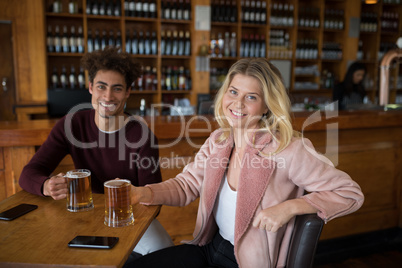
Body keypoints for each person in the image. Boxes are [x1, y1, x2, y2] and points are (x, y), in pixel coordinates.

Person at [124, 58, 364, 268]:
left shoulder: (289, 148)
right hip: (210, 248)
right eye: (233, 92)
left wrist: (289, 208)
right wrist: (140, 193)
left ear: (268, 104)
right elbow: (186, 186)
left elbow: (350, 193)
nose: (237, 104)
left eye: (251, 97)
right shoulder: (219, 139)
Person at [19, 46, 174, 256]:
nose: (108, 96)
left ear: (128, 92)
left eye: (117, 88)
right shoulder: (72, 125)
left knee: (163, 250)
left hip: (127, 217)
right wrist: (46, 185)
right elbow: (29, 173)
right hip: (81, 214)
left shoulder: (142, 136)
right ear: (90, 87)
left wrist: (130, 203)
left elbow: (154, 202)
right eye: (102, 86)